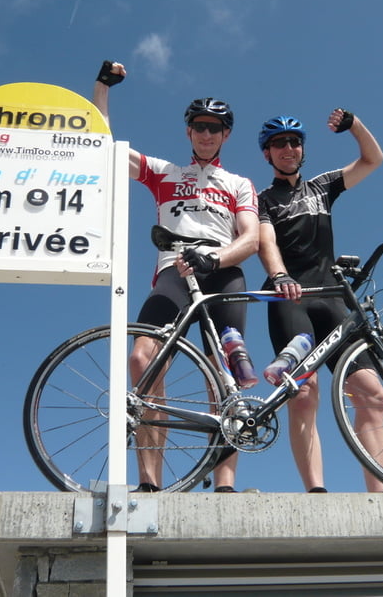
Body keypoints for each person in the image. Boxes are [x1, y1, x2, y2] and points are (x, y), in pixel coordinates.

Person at [93, 60, 259, 492]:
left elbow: (252, 239)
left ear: (226, 135)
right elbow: (104, 146)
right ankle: (150, 483)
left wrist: (215, 259)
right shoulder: (166, 172)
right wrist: (102, 88)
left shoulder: (239, 183)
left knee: (222, 377)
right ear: (188, 132)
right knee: (141, 360)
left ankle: (224, 485)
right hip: (174, 272)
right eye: (199, 126)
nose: (207, 134)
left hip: (222, 276)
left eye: (215, 127)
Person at [256, 109, 383, 492]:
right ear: (267, 153)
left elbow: (373, 159)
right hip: (290, 297)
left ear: (302, 149)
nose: (288, 148)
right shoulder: (262, 199)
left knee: (372, 394)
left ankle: (382, 496)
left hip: (330, 299)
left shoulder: (322, 187)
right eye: (278, 143)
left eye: (294, 141)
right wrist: (279, 275)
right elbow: (266, 241)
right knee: (303, 394)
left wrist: (354, 125)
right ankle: (316, 491)